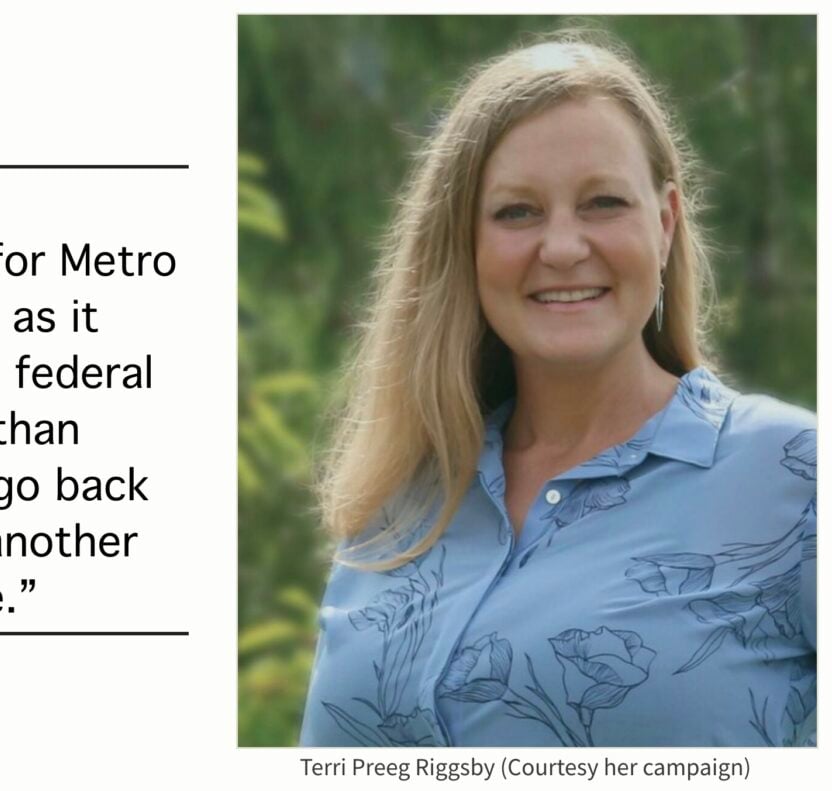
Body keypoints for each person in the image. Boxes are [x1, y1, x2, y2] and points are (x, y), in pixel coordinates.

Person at [300, 32, 816, 747]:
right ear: (464, 243)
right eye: (517, 211)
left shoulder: (797, 478)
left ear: (664, 224)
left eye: (603, 202)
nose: (564, 247)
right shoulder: (396, 504)